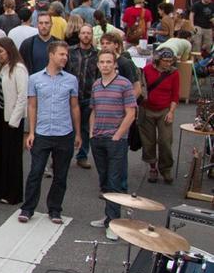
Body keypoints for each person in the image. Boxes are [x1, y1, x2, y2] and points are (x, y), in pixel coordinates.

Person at [19, 40, 81, 225]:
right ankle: (28, 208)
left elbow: (75, 107)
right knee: (35, 172)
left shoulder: (71, 80)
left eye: (66, 55)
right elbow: (32, 105)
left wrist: (78, 133)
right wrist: (30, 132)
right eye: (62, 54)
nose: (65, 57)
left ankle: (55, 209)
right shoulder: (35, 79)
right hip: (42, 133)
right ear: (51, 55)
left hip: (64, 133)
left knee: (60, 175)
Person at [89, 50, 137, 241]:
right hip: (98, 139)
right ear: (98, 65)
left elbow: (131, 113)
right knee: (105, 181)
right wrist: (92, 132)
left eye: (109, 62)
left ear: (114, 64)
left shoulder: (124, 84)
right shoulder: (96, 85)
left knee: (115, 182)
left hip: (116, 141)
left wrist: (118, 135)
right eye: (102, 62)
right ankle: (109, 216)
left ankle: (114, 223)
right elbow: (93, 110)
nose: (105, 65)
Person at [0, 38, 28, 206]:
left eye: (0, 51)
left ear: (9, 51)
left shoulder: (19, 69)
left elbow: (22, 96)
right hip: (0, 117)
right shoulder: (1, 68)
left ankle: (12, 194)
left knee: (12, 157)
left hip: (12, 119)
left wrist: (14, 121)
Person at [138, 47, 180, 184]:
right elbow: (141, 87)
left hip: (164, 110)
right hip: (147, 109)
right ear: (158, 60)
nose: (168, 63)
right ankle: (152, 167)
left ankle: (166, 168)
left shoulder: (174, 73)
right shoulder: (147, 69)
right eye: (165, 61)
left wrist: (171, 112)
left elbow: (175, 95)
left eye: (170, 61)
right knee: (148, 141)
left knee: (165, 141)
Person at [66, 24, 99, 169]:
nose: (86, 36)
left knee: (86, 128)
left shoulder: (97, 54)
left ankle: (82, 156)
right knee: (67, 127)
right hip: (70, 95)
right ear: (79, 35)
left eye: (88, 33)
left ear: (92, 36)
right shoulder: (70, 51)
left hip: (88, 95)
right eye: (83, 33)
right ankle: (63, 156)